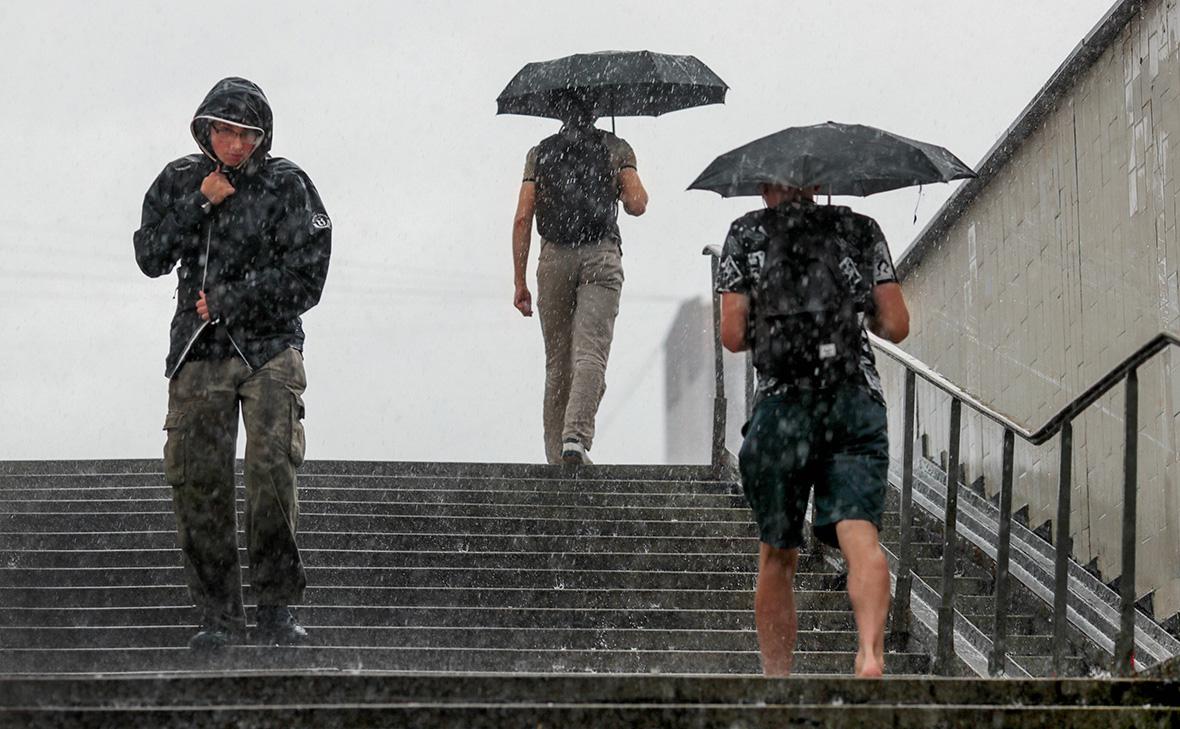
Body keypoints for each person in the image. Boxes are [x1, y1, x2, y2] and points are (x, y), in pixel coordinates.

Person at [133, 77, 332, 651]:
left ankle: (275, 612)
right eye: (224, 131)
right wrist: (202, 200)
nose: (235, 144)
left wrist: (233, 297)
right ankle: (218, 617)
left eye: (245, 133)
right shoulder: (178, 179)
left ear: (261, 135)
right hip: (198, 351)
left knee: (271, 473)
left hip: (269, 347)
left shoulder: (289, 184)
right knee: (200, 485)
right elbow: (149, 255)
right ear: (205, 131)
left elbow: (308, 277)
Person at [716, 183, 909, 678]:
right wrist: (854, 319)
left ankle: (777, 681)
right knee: (859, 535)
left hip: (782, 408)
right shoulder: (860, 229)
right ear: (820, 184)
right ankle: (869, 652)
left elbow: (733, 336)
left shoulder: (745, 234)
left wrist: (777, 327)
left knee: (777, 554)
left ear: (763, 188)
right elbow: (897, 324)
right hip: (853, 397)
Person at [511, 98, 648, 465]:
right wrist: (617, 179)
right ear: (597, 112)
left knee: (558, 362)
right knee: (590, 352)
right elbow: (637, 204)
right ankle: (575, 438)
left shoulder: (539, 154)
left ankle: (556, 457)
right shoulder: (615, 147)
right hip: (600, 256)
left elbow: (523, 217)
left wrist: (519, 282)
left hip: (554, 258)